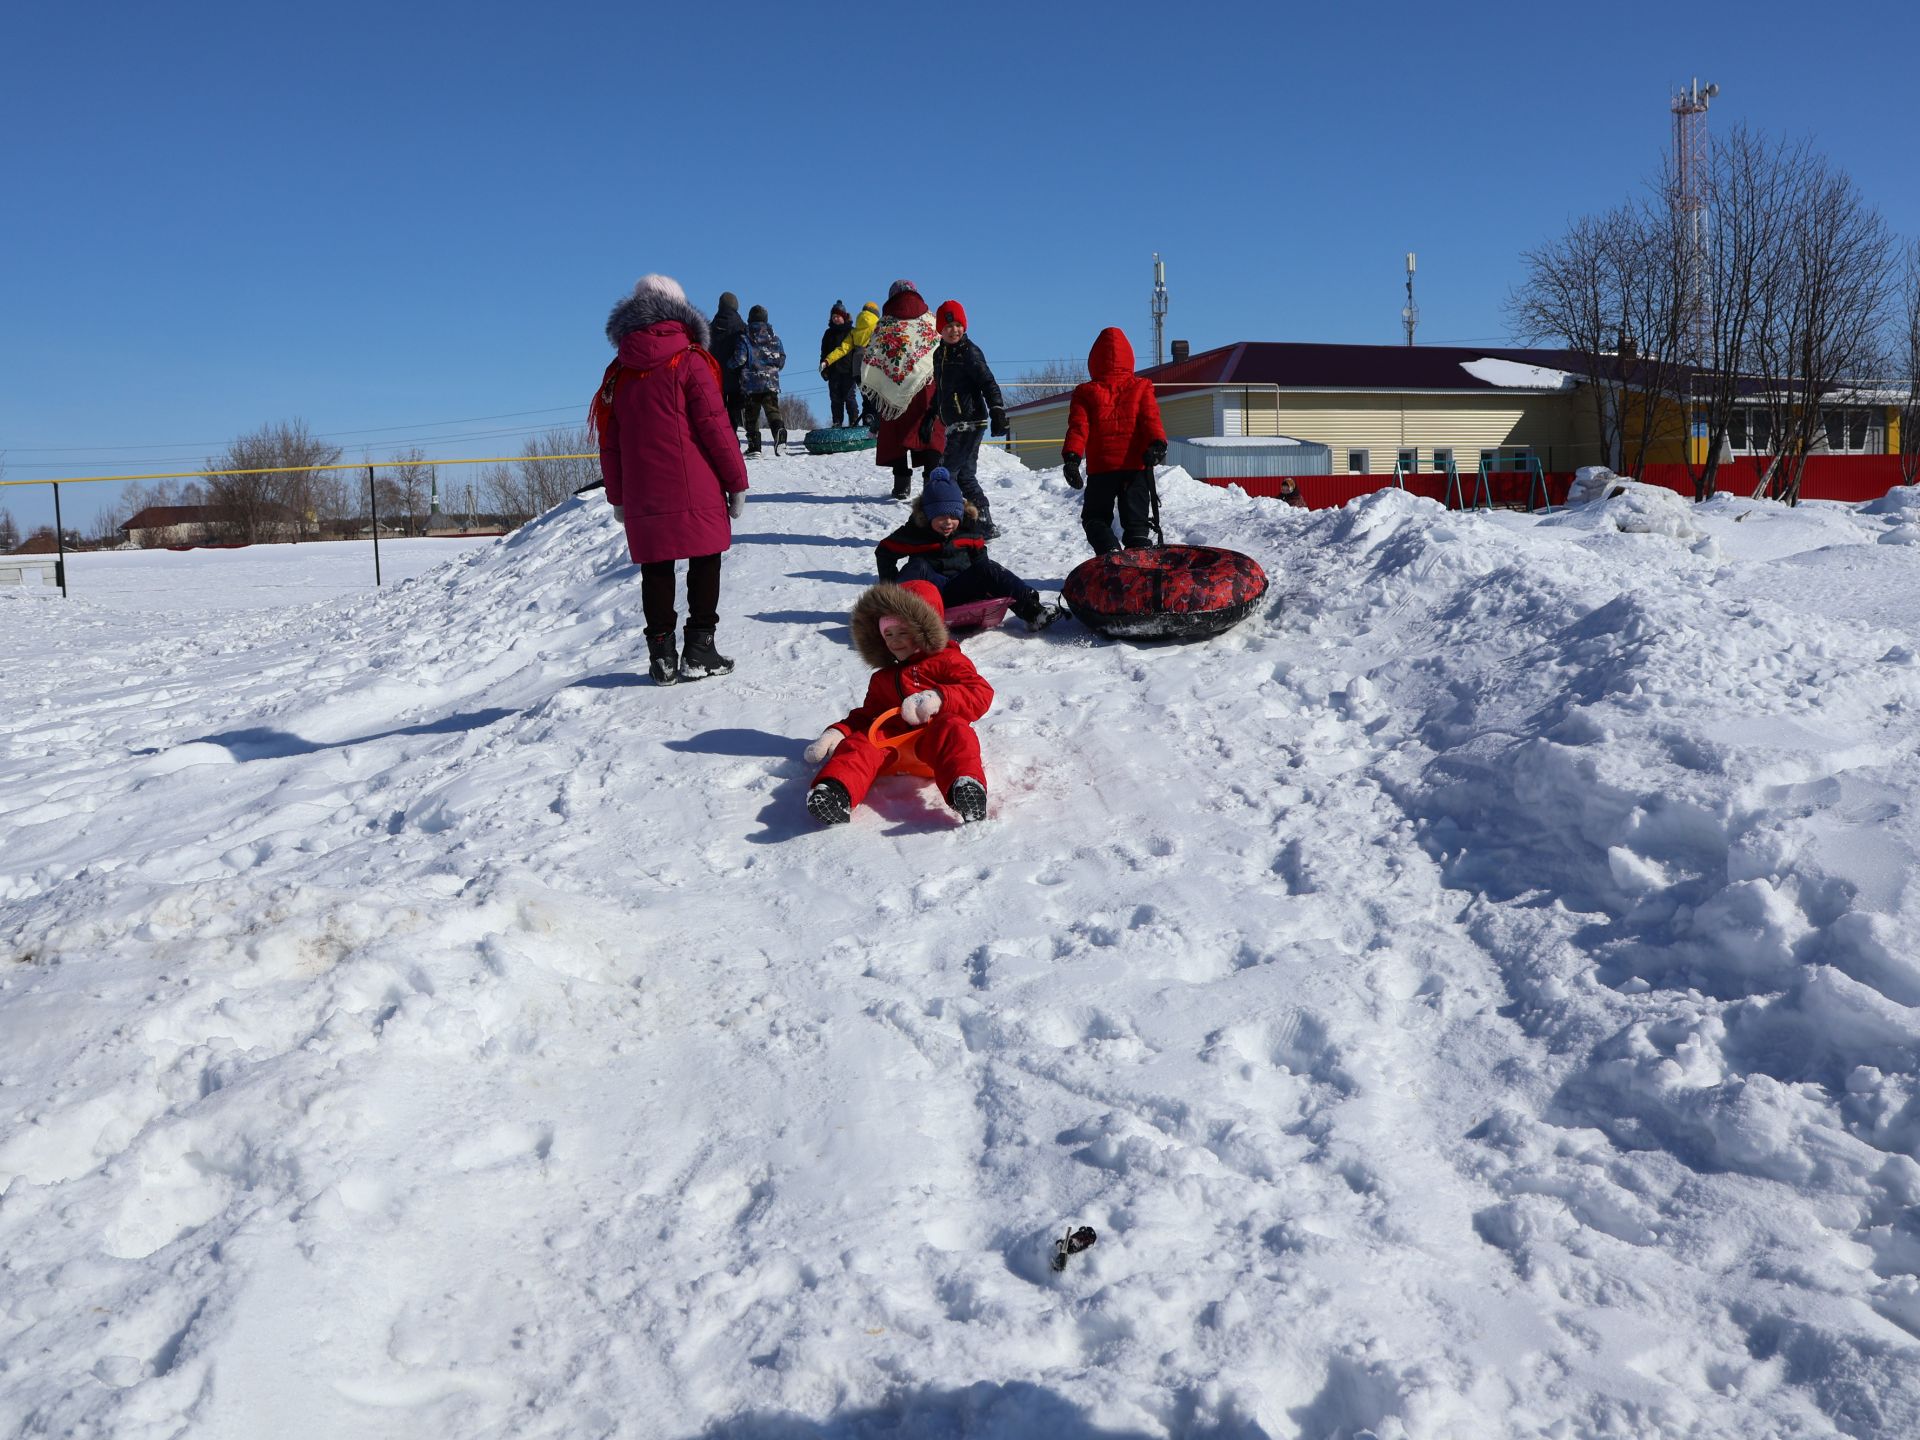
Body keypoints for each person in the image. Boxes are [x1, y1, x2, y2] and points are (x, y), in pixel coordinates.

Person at [591, 273, 748, 685]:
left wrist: (619, 496)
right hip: (695, 482)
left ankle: (661, 657)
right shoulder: (690, 360)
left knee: (656, 568)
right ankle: (699, 650)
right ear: (679, 312)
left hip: (644, 492)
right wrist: (736, 481)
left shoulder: (618, 371)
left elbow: (611, 439)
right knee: (705, 557)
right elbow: (716, 426)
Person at [802, 578, 993, 826]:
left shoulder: (947, 659)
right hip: (894, 746)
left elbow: (978, 691)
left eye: (903, 632)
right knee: (861, 742)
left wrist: (938, 698)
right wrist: (839, 732)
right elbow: (868, 715)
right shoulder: (882, 677)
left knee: (955, 730)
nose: (895, 640)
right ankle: (835, 792)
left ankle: (965, 787)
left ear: (924, 630)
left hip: (934, 738)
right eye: (888, 634)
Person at [875, 469, 1058, 631]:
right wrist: (889, 584)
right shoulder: (914, 533)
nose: (947, 523)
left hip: (960, 587)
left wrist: (985, 586)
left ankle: (1032, 612)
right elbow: (884, 551)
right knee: (917, 565)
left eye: (953, 517)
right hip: (930, 592)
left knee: (990, 567)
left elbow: (980, 562)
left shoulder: (968, 531)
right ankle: (896, 611)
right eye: (940, 517)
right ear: (927, 516)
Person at [1062, 327, 1168, 554]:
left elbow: (1078, 428)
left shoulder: (1085, 392)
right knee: (1137, 526)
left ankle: (1109, 553)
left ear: (1094, 360)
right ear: (1129, 357)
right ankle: (1140, 568)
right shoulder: (1141, 387)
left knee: (1095, 518)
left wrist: (1072, 458)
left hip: (1102, 470)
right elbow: (1151, 419)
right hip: (1135, 468)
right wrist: (1158, 444)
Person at [922, 299, 1008, 536]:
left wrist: (997, 410)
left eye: (958, 325)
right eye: (949, 326)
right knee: (965, 476)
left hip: (970, 421)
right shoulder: (940, 354)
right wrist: (931, 414)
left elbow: (988, 382)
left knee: (945, 473)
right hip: (956, 423)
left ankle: (939, 522)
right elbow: (941, 390)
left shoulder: (970, 352)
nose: (954, 330)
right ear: (941, 329)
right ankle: (983, 521)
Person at [861, 280, 944, 500]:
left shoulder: (885, 324)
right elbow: (941, 348)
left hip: (894, 389)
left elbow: (872, 356)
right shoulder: (931, 320)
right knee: (931, 433)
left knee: (896, 431)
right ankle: (932, 484)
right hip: (928, 388)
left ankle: (901, 485)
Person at [733, 305, 787, 456]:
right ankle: (779, 431)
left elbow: (740, 358)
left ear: (749, 319)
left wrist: (730, 365)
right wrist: (773, 371)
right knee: (772, 411)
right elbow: (781, 359)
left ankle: (754, 446)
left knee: (751, 416)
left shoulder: (744, 336)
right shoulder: (774, 337)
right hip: (771, 382)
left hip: (751, 384)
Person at [710, 291, 749, 435]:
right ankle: (732, 438)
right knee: (734, 412)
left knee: (716, 412)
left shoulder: (708, 328)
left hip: (715, 379)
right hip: (736, 379)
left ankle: (720, 437)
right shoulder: (742, 328)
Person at [819, 301, 863, 427]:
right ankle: (837, 421)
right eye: (833, 317)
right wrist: (824, 368)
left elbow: (857, 352)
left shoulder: (851, 331)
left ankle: (853, 420)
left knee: (849, 397)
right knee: (835, 399)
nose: (836, 319)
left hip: (848, 370)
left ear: (844, 317)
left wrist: (857, 369)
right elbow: (824, 352)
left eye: (838, 316)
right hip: (833, 372)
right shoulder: (828, 334)